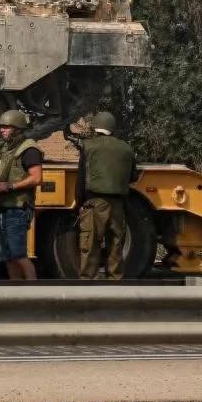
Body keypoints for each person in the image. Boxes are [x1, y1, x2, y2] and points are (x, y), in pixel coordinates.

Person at [76, 111, 140, 280]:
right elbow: (133, 176)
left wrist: (79, 202)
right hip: (118, 204)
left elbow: (81, 178)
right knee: (116, 243)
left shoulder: (88, 146)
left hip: (95, 203)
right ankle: (115, 279)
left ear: (95, 127)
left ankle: (88, 280)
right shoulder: (126, 148)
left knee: (90, 243)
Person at [0, 109, 42, 280]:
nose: (1, 130)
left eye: (6, 127)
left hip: (17, 209)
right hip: (2, 208)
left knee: (19, 255)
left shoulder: (29, 149)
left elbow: (37, 178)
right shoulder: (7, 149)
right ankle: (16, 291)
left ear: (17, 128)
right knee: (8, 257)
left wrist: (11, 186)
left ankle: (34, 290)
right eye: (1, 127)